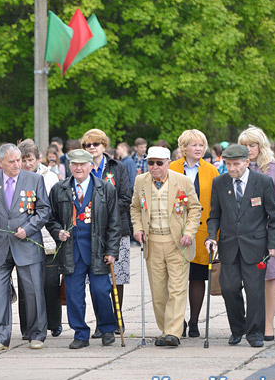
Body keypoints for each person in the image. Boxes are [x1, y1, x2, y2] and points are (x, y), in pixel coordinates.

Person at [0, 143, 50, 352]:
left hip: (27, 244)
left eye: (19, 160)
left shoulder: (35, 179)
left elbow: (44, 210)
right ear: (0, 163)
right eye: (12, 161)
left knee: (33, 292)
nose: (17, 164)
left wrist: (28, 228)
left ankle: (37, 334)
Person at [206, 144, 275, 348]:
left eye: (236, 164)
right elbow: (214, 215)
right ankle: (237, 329)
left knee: (255, 290)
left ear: (247, 162)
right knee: (229, 289)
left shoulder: (263, 182)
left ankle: (255, 332)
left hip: (256, 246)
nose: (232, 168)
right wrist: (211, 237)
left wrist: (274, 244)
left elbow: (274, 216)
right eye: (228, 164)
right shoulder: (219, 183)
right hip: (229, 245)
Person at [46, 149, 121, 348]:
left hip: (98, 250)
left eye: (82, 164)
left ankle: (106, 328)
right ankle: (80, 333)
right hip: (71, 251)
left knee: (100, 291)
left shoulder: (105, 188)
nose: (78, 168)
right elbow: (50, 218)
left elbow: (115, 223)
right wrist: (57, 232)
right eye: (75, 164)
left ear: (90, 166)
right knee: (74, 294)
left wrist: (112, 251)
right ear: (70, 166)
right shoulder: (59, 189)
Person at [130, 146, 201, 347]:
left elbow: (194, 208)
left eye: (159, 163)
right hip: (153, 241)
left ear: (168, 163)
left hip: (177, 242)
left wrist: (189, 232)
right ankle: (165, 329)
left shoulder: (183, 181)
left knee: (177, 289)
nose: (154, 167)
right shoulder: (140, 181)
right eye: (150, 162)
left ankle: (173, 333)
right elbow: (135, 208)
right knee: (159, 293)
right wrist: (137, 228)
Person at [238, 126, 275, 341]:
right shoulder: (237, 167)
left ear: (261, 146)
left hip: (269, 230)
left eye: (252, 145)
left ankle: (268, 323)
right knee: (249, 278)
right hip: (244, 232)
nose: (249, 149)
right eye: (245, 146)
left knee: (270, 275)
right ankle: (254, 322)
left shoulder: (272, 167)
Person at [81, 129, 133, 338]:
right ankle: (101, 322)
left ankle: (117, 320)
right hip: (89, 231)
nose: (92, 148)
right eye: (87, 145)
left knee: (116, 279)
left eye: (96, 144)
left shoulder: (116, 168)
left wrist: (103, 213)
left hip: (116, 229)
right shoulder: (81, 168)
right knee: (96, 280)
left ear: (104, 146)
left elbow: (125, 197)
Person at [169, 130, 219, 338]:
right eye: (194, 145)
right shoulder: (172, 168)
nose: (198, 148)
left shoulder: (211, 171)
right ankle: (177, 320)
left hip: (202, 231)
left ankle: (195, 321)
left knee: (197, 277)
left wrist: (216, 234)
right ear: (184, 148)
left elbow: (216, 204)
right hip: (176, 231)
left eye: (201, 145)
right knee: (177, 278)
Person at [17, 139, 61, 338]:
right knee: (26, 286)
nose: (27, 164)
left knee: (49, 284)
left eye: (30, 160)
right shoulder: (15, 177)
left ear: (38, 159)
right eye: (23, 160)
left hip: (47, 236)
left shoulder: (49, 178)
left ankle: (54, 322)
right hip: (23, 237)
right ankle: (27, 326)